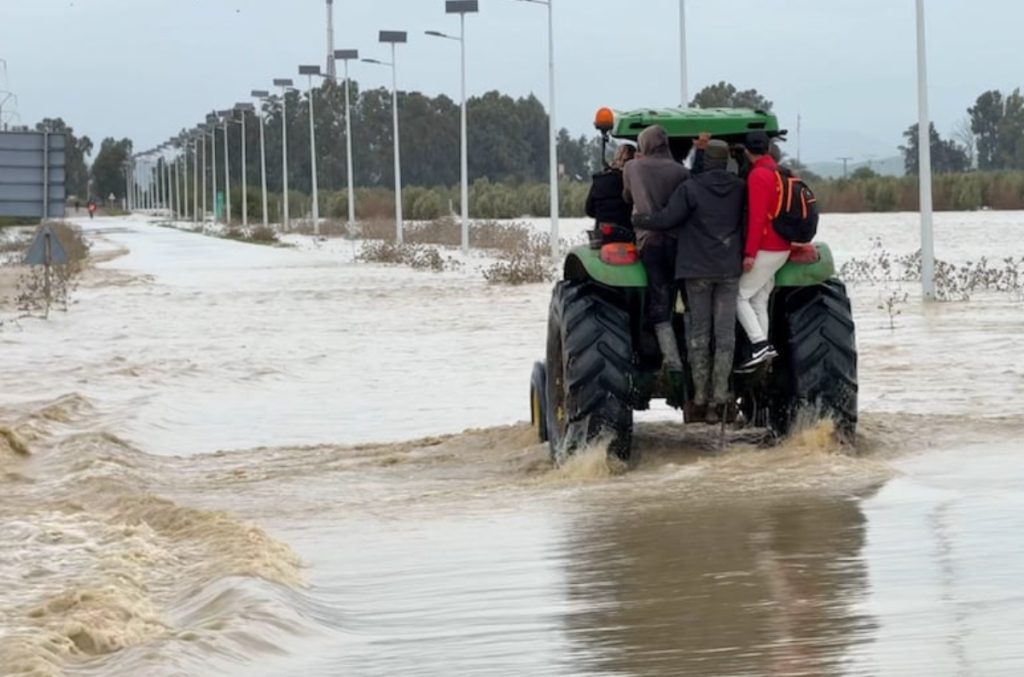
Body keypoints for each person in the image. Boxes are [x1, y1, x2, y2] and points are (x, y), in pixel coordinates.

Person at [632, 140, 745, 423]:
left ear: (705, 161)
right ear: (727, 161)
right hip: (730, 270)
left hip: (696, 271)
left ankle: (699, 399)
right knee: (725, 337)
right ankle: (721, 399)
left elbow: (668, 219)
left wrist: (640, 219)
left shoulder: (690, 188)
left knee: (699, 336)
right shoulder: (741, 188)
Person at [624, 125, 690, 404]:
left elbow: (626, 198)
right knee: (684, 301)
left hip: (649, 242)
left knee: (658, 303)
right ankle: (691, 362)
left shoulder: (633, 169)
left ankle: (672, 365)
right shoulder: (681, 172)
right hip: (679, 244)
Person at [737, 131, 790, 369]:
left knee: (739, 296)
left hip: (767, 247)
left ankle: (759, 345)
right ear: (768, 148)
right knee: (759, 297)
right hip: (783, 247)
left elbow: (757, 218)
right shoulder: (779, 172)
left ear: (746, 152)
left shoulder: (758, 175)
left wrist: (750, 253)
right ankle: (762, 354)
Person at [585, 144, 636, 230]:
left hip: (602, 232)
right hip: (626, 232)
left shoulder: (599, 180)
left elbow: (589, 210)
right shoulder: (632, 181)